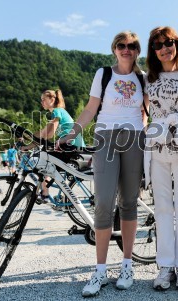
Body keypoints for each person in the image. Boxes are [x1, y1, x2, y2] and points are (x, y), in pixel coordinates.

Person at [57, 31, 146, 297]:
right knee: (104, 202)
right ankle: (100, 270)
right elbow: (90, 107)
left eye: (131, 46)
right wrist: (71, 133)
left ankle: (127, 265)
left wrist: (146, 132)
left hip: (134, 139)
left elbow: (150, 111)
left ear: (137, 50)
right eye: (121, 45)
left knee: (129, 202)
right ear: (114, 49)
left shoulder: (143, 78)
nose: (126, 49)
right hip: (106, 137)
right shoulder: (103, 74)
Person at [143, 26, 178, 290]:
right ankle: (165, 266)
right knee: (163, 209)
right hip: (157, 147)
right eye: (158, 45)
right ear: (153, 51)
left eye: (169, 43)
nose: (164, 48)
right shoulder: (149, 78)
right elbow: (144, 109)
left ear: (177, 44)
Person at [22, 89, 85, 202]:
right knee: (45, 162)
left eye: (43, 100)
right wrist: (28, 141)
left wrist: (33, 143)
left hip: (70, 146)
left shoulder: (57, 111)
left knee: (42, 162)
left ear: (52, 99)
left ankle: (45, 194)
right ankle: (48, 193)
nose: (41, 102)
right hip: (69, 146)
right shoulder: (58, 112)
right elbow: (42, 133)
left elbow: (49, 134)